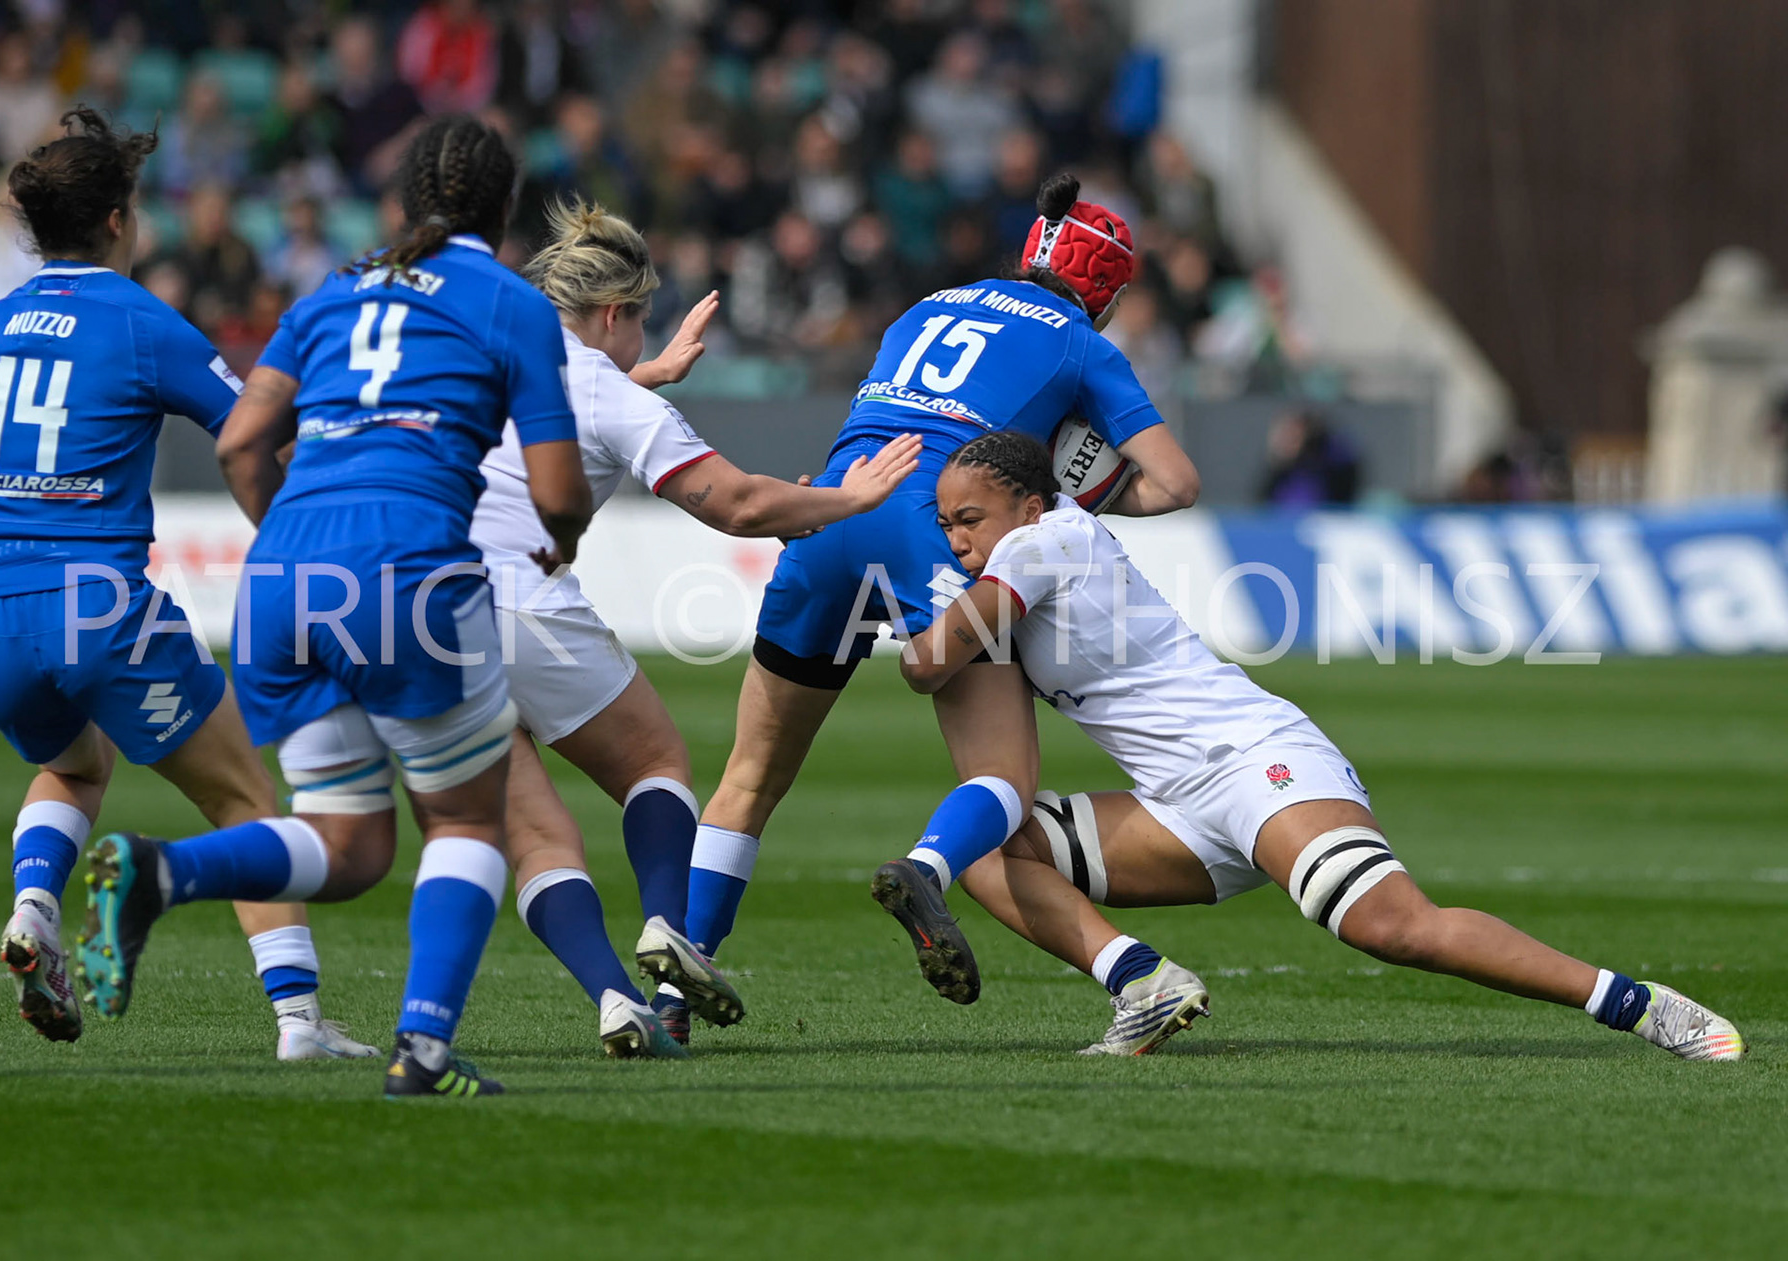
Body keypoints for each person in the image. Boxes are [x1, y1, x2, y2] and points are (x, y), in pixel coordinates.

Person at [897, 431, 1745, 1063]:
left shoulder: (1043, 541)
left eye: (969, 517)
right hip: (1179, 804)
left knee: (1390, 924)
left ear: (1031, 505)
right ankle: (1143, 983)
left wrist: (899, 598)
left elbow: (931, 664)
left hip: (1255, 760)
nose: (957, 536)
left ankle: (1640, 1005)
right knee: (989, 853)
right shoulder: (1036, 543)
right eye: (944, 523)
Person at [75, 116, 594, 1100]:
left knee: (351, 848)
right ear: (503, 206)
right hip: (407, 566)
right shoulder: (510, 303)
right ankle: (424, 1052)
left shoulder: (328, 292)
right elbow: (559, 489)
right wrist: (560, 542)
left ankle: (159, 871)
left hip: (279, 577)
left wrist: (297, 543)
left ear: (403, 202)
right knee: (467, 822)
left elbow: (239, 445)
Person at [683, 175, 1200, 1014]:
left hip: (832, 512)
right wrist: (1071, 490)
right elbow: (1176, 483)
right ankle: (926, 869)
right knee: (1003, 776)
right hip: (932, 527)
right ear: (1106, 289)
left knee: (748, 776)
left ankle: (684, 966)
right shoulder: (1080, 342)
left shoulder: (925, 305)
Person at [0, 107, 370, 1062]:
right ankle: (300, 1022)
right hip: (95, 606)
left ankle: (35, 909)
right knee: (246, 798)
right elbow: (247, 428)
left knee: (78, 764)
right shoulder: (140, 323)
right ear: (121, 221)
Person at [469, 199, 922, 1048]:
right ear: (615, 315)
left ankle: (612, 996)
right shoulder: (605, 388)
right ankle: (668, 928)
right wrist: (846, 500)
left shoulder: (495, 353)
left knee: (533, 834)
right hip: (523, 600)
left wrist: (645, 376)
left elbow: (554, 413)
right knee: (655, 759)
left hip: (423, 611)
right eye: (638, 322)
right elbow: (741, 504)